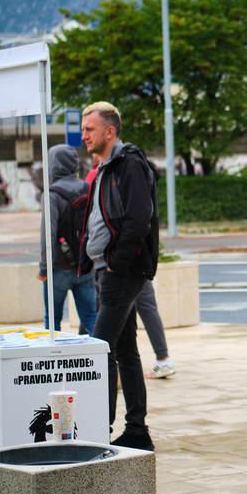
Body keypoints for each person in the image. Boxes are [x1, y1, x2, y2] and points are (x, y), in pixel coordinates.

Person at [81, 101, 159, 450]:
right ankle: (137, 431)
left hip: (119, 272)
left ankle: (100, 432)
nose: (84, 135)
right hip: (107, 271)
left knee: (100, 349)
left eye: (90, 129)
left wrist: (117, 262)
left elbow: (139, 218)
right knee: (125, 351)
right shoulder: (105, 168)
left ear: (110, 131)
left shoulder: (128, 164)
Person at [84, 158, 175, 379]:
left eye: (90, 135)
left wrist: (116, 263)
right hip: (126, 264)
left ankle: (160, 360)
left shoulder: (112, 172)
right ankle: (162, 358)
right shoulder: (110, 172)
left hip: (118, 266)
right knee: (127, 341)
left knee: (104, 341)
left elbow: (135, 221)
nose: (86, 140)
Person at [37, 144, 97, 334]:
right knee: (91, 317)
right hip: (85, 265)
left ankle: (55, 353)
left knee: (53, 320)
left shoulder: (51, 194)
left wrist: (44, 268)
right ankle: (106, 352)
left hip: (58, 268)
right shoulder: (89, 188)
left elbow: (48, 234)